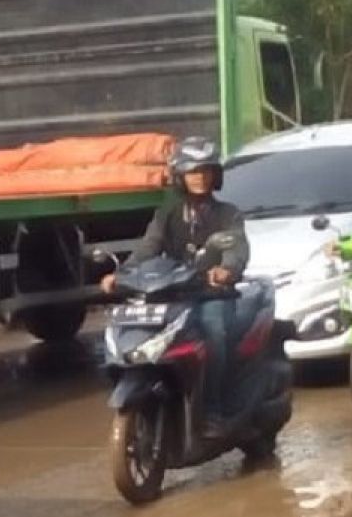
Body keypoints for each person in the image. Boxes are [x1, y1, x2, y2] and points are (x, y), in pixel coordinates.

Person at [101, 137, 249, 438]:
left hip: (213, 296)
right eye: (193, 171)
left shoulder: (228, 214)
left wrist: (226, 270)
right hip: (176, 296)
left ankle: (213, 409)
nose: (200, 177)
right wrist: (121, 274)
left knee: (214, 331)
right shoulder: (167, 214)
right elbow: (148, 248)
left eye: (206, 171)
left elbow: (237, 248)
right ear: (180, 176)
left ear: (215, 175)